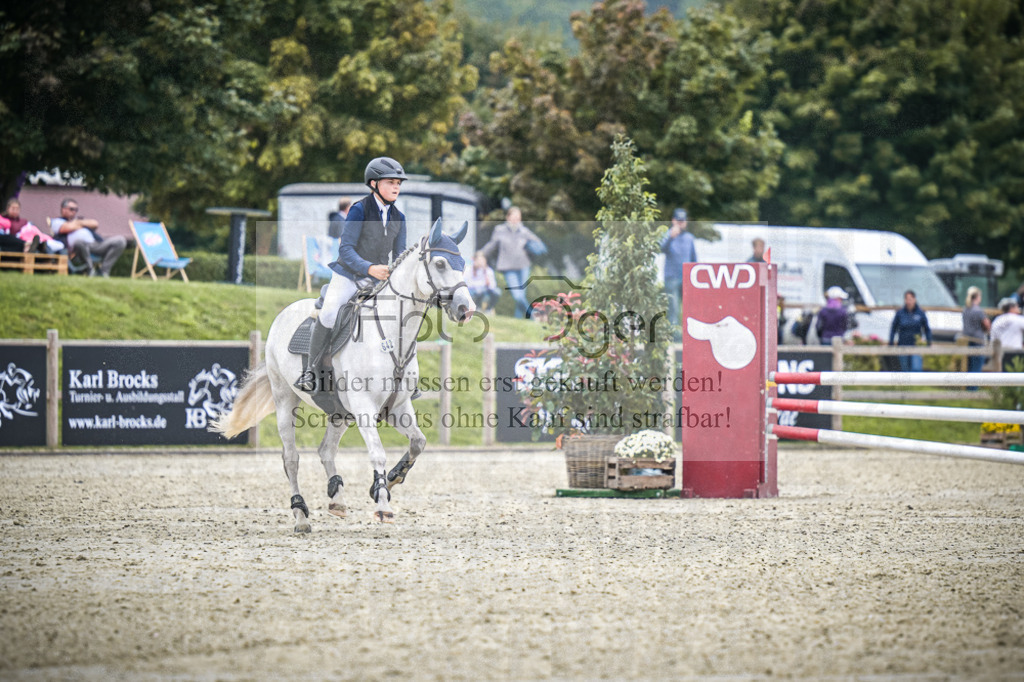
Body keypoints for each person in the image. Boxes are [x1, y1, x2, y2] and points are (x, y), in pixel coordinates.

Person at [298, 157, 408, 392]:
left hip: (378, 280)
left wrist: (396, 275)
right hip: (349, 275)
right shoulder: (359, 209)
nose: (396, 187)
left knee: (401, 316)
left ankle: (403, 374)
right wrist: (369, 268)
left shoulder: (400, 218)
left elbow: (399, 255)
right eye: (390, 182)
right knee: (328, 314)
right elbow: (345, 249)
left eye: (398, 182)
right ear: (373, 183)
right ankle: (311, 370)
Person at [479, 206, 545, 318]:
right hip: (508, 268)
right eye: (514, 217)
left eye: (518, 218)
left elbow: (538, 243)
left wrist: (532, 246)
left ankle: (518, 320)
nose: (516, 220)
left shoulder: (524, 231)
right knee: (518, 296)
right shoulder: (500, 230)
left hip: (523, 266)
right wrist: (481, 254)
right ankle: (534, 315)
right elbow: (491, 245)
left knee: (521, 296)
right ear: (508, 217)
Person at [50, 198, 127, 277]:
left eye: (76, 210)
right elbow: (67, 228)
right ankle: (90, 270)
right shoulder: (57, 221)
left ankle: (103, 271)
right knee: (79, 242)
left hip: (95, 244)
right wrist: (82, 223)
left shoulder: (77, 221)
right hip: (77, 249)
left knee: (120, 240)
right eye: (72, 209)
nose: (74, 212)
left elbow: (95, 223)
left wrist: (78, 223)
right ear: (63, 209)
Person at [660, 208, 697, 328]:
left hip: (686, 278)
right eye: (678, 221)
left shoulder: (690, 238)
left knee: (689, 307)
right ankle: (673, 334)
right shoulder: (667, 235)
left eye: (683, 221)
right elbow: (661, 249)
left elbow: (694, 259)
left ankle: (687, 333)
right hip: (671, 277)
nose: (681, 223)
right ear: (673, 221)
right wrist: (671, 237)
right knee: (673, 308)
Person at [889, 290, 931, 371]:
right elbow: (893, 328)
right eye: (907, 299)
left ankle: (917, 383)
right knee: (905, 369)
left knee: (916, 369)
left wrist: (929, 342)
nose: (908, 301)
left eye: (910, 299)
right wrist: (891, 342)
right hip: (903, 345)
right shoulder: (900, 313)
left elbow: (927, 329)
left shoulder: (920, 313)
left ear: (914, 299)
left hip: (916, 345)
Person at [960, 286, 990, 375]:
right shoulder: (978, 310)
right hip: (978, 341)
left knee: (968, 367)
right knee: (976, 368)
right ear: (977, 296)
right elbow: (986, 324)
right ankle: (973, 388)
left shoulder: (965, 309)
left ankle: (969, 387)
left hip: (967, 341)